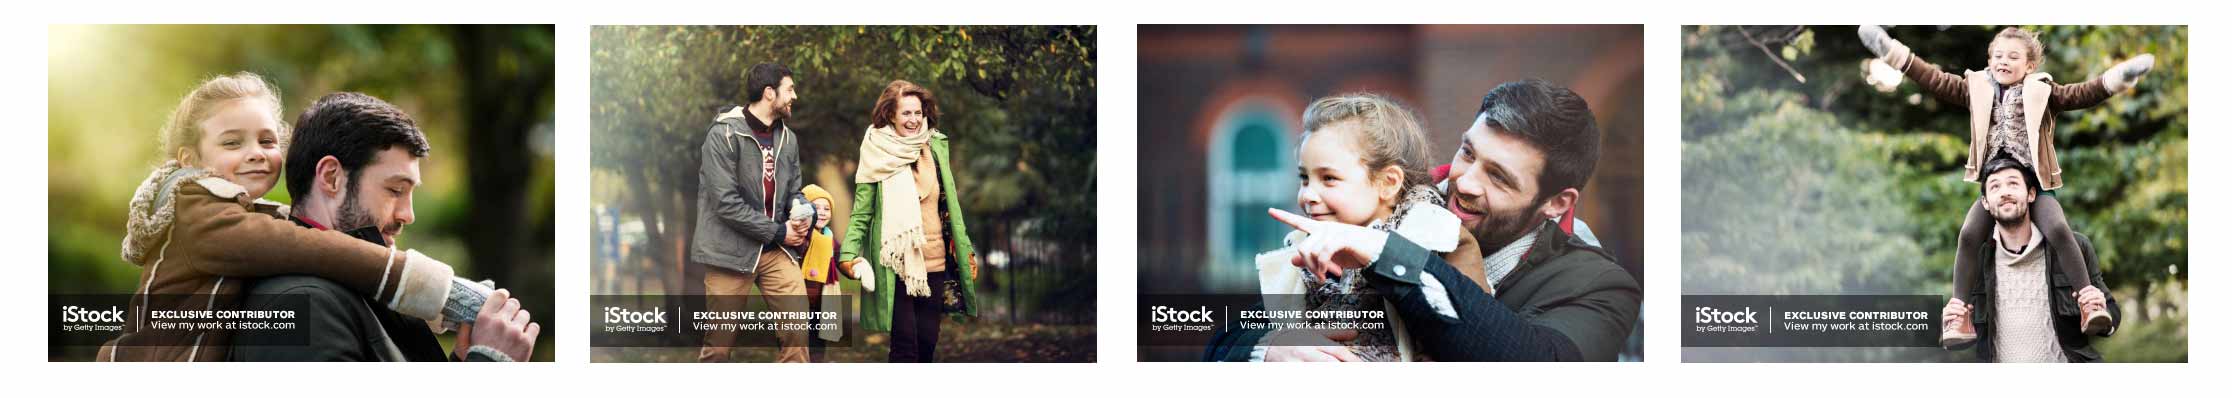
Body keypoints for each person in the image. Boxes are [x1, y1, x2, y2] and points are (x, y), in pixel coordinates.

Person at [103, 73, 495, 362]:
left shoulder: (257, 220)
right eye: (232, 142)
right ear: (190, 160)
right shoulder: (198, 213)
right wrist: (441, 293)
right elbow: (308, 247)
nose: (256, 152)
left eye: (267, 140)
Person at [1243, 79, 1640, 361]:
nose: (1464, 182)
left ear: (1556, 202)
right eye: (1468, 152)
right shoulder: (1382, 202)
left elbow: (1536, 366)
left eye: (1498, 177)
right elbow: (1230, 330)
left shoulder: (1601, 288)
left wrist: (1388, 254)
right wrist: (1266, 349)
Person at [1856, 25, 2152, 347]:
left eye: (2013, 56)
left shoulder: (2042, 90)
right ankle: (1960, 315)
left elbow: (2082, 94)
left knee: (2059, 231)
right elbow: (1935, 80)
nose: (2004, 61)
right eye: (1998, 55)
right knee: (1969, 235)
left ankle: (2088, 302)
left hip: (2031, 183)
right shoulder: (1976, 87)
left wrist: (2120, 76)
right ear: (1989, 59)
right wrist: (1893, 53)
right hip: (1995, 183)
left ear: (2029, 66)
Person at [228, 92, 538, 361]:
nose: (408, 214)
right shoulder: (299, 304)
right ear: (331, 177)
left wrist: (465, 358)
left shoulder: (366, 284)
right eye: (395, 190)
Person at [840, 80, 982, 363]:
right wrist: (848, 254)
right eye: (906, 113)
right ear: (890, 114)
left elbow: (951, 204)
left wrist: (964, 248)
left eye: (918, 113)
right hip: (896, 264)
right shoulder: (875, 151)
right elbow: (861, 213)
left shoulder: (935, 146)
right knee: (905, 348)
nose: (914, 119)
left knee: (927, 344)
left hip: (936, 261)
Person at [1942, 158, 2118, 362]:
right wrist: (1948, 320)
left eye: (2013, 183)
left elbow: (2113, 314)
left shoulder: (2075, 247)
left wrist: (2103, 311)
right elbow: (1965, 344)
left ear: (2031, 193)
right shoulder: (1975, 261)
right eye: (1995, 186)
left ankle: (2090, 308)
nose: (2005, 191)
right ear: (1985, 202)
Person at [693, 63, 811, 363]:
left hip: (775, 252)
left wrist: (800, 210)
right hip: (729, 251)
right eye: (790, 89)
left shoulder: (789, 139)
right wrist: (779, 231)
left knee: (797, 335)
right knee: (718, 347)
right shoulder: (724, 135)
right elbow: (726, 203)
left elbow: (794, 189)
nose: (794, 96)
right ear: (769, 93)